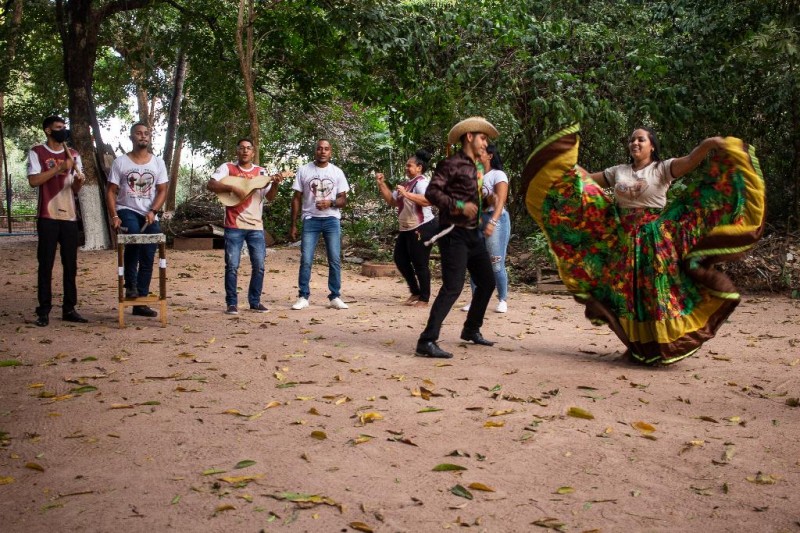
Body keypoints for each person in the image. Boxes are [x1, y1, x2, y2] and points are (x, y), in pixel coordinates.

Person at [521, 124, 766, 365]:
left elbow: (692, 160)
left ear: (652, 146)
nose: (635, 143)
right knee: (627, 298)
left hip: (655, 243)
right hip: (623, 242)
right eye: (632, 140)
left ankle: (660, 348)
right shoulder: (618, 171)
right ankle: (637, 349)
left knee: (654, 297)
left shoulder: (663, 169)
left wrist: (709, 144)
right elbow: (584, 183)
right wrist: (561, 166)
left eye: (641, 139)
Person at [415, 117, 499, 359]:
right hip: (453, 234)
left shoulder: (477, 167)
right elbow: (432, 192)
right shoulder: (450, 163)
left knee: (487, 281)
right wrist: (460, 205)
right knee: (453, 287)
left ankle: (471, 329)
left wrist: (487, 200)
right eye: (482, 138)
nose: (485, 143)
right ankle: (426, 341)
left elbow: (474, 196)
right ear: (469, 137)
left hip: (473, 235)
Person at [206, 138, 285, 314]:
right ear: (237, 151)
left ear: (253, 152)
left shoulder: (261, 172)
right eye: (241, 148)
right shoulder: (228, 168)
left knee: (259, 265)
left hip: (256, 227)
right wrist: (233, 188)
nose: (245, 151)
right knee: (232, 265)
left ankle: (255, 302)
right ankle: (232, 303)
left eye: (248, 148)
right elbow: (211, 184)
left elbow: (270, 197)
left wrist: (276, 183)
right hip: (234, 225)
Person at [27, 115, 88, 326]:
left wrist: (79, 181)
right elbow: (34, 181)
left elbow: (75, 189)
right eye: (58, 128)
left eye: (64, 127)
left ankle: (69, 308)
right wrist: (58, 169)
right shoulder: (37, 152)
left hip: (69, 217)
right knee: (46, 263)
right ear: (48, 130)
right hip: (47, 216)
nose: (63, 130)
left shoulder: (73, 154)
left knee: (70, 264)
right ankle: (43, 310)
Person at [106, 122, 168, 318]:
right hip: (127, 209)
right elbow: (110, 191)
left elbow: (162, 189)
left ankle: (140, 300)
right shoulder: (121, 162)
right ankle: (130, 285)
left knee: (149, 253)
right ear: (131, 137)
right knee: (133, 236)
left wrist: (154, 210)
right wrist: (114, 215)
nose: (143, 136)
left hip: (149, 213)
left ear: (149, 138)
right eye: (138, 133)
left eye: (146, 133)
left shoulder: (158, 163)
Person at [289, 139, 350, 310]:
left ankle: (335, 296)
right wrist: (293, 224)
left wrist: (330, 203)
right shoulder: (304, 170)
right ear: (315, 151)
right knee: (306, 259)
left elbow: (343, 199)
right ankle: (303, 296)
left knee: (334, 259)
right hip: (310, 219)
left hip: (331, 220)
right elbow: (296, 198)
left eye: (326, 149)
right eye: (319, 149)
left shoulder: (337, 172)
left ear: (331, 152)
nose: (323, 152)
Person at [375, 149, 437, 307]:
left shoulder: (422, 182)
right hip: (406, 229)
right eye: (406, 166)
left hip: (422, 227)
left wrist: (407, 194)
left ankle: (424, 298)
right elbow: (392, 200)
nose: (406, 168)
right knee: (400, 259)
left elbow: (427, 200)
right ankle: (415, 292)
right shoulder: (406, 184)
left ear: (419, 168)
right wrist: (382, 183)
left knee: (420, 262)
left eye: (409, 166)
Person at [461, 144, 511, 313]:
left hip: (496, 218)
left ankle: (502, 299)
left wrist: (493, 222)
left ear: (490, 156)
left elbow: (500, 201)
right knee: (475, 261)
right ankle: (476, 299)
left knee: (496, 262)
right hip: (478, 219)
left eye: (480, 152)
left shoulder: (498, 175)